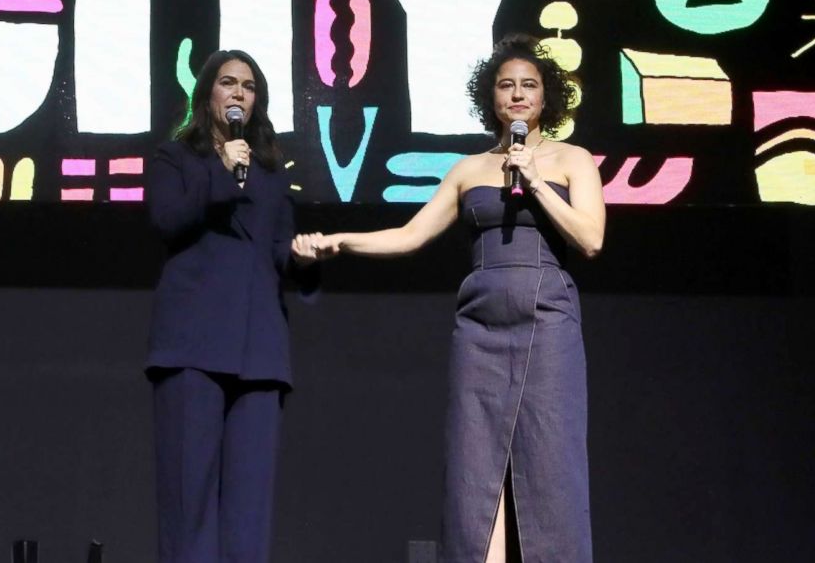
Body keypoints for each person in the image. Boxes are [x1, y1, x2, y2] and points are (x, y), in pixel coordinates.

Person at [304, 34, 604, 563]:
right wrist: (343, 241)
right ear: (490, 97)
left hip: (546, 317)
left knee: (549, 458)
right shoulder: (468, 170)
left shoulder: (572, 159)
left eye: (528, 86)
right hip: (480, 324)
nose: (517, 94)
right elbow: (411, 235)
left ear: (546, 98)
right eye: (506, 85)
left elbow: (590, 238)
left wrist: (534, 183)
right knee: (476, 464)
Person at [145, 48, 321, 563]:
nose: (239, 93)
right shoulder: (176, 159)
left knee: (249, 512)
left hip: (258, 349)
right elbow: (169, 221)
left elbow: (276, 251)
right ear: (208, 96)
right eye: (228, 83)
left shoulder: (270, 174)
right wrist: (220, 170)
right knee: (189, 502)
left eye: (248, 86)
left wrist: (304, 259)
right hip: (191, 347)